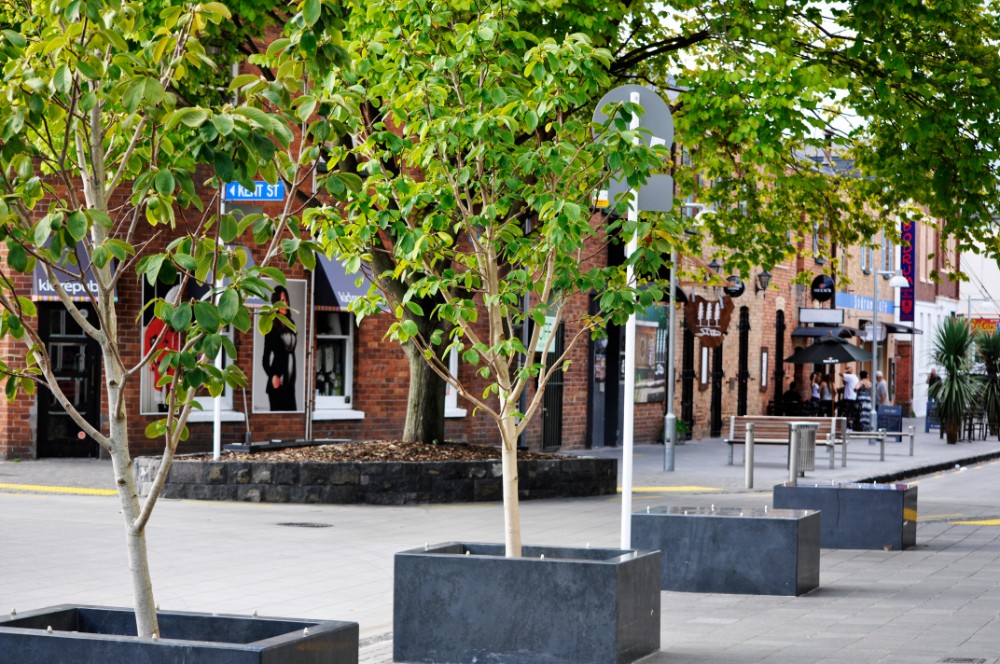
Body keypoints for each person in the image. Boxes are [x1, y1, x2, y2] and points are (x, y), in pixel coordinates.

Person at [262, 285, 298, 411]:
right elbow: (265, 359)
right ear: (275, 302)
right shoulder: (271, 326)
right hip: (277, 383)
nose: (285, 303)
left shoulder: (291, 324)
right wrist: (273, 376)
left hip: (290, 382)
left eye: (286, 300)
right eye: (282, 300)